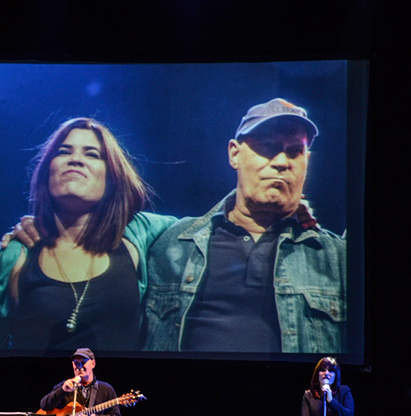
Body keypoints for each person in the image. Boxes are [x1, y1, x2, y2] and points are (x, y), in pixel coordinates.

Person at [143, 98, 346, 353]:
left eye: (295, 151)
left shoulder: (338, 259)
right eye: (268, 147)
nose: (282, 162)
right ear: (234, 154)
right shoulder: (170, 245)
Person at [0, 117, 176, 355]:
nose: (75, 160)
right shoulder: (12, 256)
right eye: (64, 151)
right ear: (47, 171)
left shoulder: (139, 234)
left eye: (92, 154)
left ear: (112, 176)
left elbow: (201, 228)